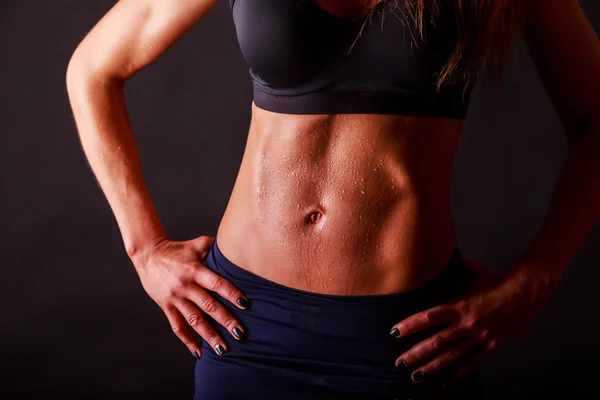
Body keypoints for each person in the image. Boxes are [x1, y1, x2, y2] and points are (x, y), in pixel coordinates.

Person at [66, 0, 600, 399]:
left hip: (406, 341)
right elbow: (93, 69)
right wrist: (145, 249)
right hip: (247, 324)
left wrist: (537, 277)